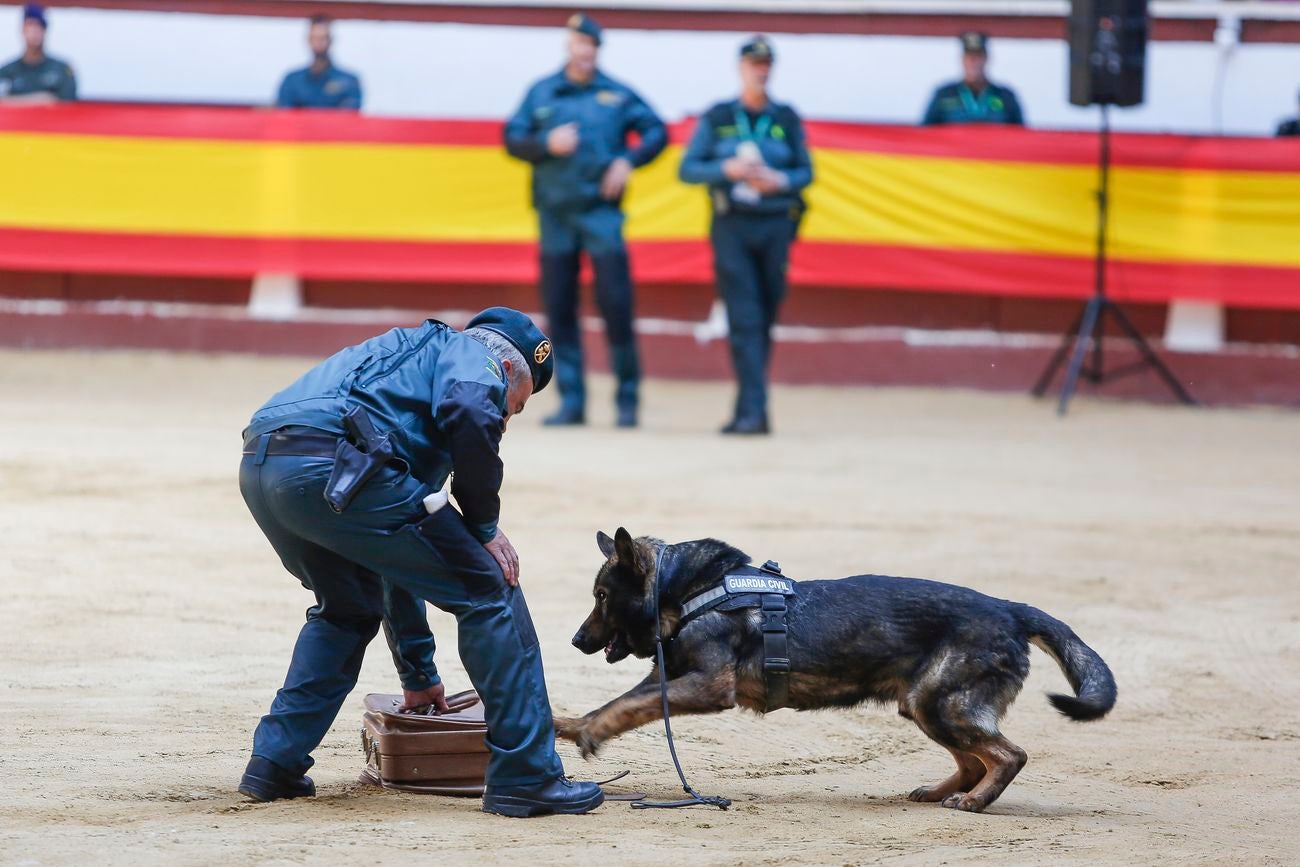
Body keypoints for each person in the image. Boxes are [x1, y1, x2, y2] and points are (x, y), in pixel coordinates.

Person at [236, 308, 604, 818]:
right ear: (512, 374)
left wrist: (418, 675)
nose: (507, 421)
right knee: (490, 588)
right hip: (338, 464)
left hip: (266, 465)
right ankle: (527, 776)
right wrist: (482, 527)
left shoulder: (406, 354)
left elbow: (398, 560)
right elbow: (473, 408)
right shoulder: (477, 359)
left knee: (348, 607)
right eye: (515, 409)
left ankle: (274, 763)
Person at [504, 13, 667, 428]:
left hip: (602, 217)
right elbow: (512, 138)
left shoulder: (615, 94)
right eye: (578, 43)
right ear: (569, 46)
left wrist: (628, 161)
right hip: (556, 217)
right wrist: (546, 143)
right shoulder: (543, 91)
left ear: (597, 49)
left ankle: (627, 401)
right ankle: (571, 401)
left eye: (591, 45)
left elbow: (656, 131)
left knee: (616, 305)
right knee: (560, 309)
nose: (584, 51)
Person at [679, 36, 813, 435]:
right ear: (742, 68)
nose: (761, 70)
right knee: (745, 316)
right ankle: (754, 413)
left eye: (767, 63)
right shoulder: (719, 116)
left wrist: (780, 180)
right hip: (732, 224)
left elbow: (807, 173)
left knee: (764, 316)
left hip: (775, 224)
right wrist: (728, 169)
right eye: (755, 63)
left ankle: (748, 408)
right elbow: (688, 169)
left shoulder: (786, 118)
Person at [922, 32, 1023, 126]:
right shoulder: (944, 95)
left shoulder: (1005, 96)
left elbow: (1022, 135)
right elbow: (925, 134)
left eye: (978, 57)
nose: (973, 62)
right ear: (962, 60)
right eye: (969, 57)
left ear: (986, 59)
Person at [275, 15, 362, 110]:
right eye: (315, 38)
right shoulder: (292, 80)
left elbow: (349, 115)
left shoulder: (349, 81)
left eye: (323, 38)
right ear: (308, 40)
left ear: (331, 40)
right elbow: (285, 114)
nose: (319, 43)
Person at [0, 4, 76, 103]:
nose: (34, 31)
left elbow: (70, 105)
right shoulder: (7, 71)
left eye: (39, 26)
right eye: (30, 25)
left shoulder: (63, 70)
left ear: (45, 31)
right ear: (23, 30)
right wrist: (43, 99)